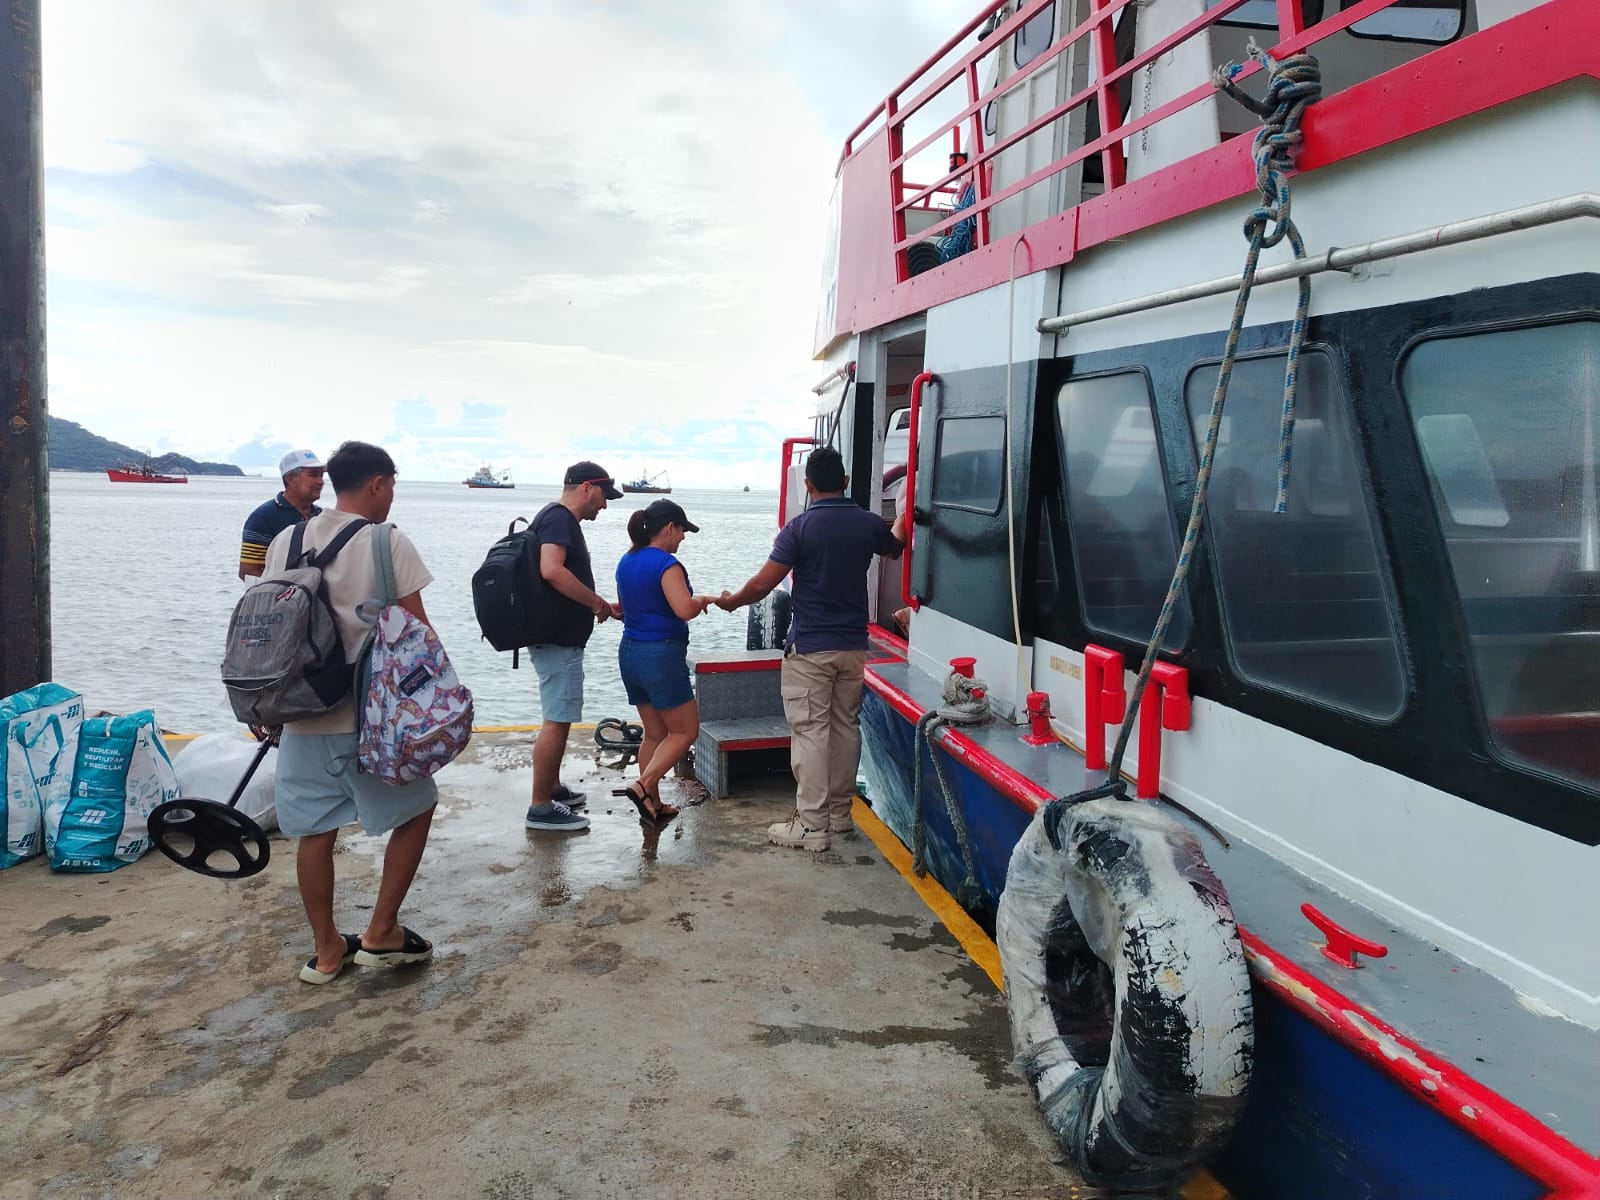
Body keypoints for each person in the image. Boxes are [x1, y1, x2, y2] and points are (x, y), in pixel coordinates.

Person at [260, 440, 440, 983]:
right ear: (379, 483)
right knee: (417, 809)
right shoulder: (386, 542)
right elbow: (420, 638)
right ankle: (382, 931)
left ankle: (328, 951)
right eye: (392, 487)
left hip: (297, 714)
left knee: (315, 833)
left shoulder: (286, 539)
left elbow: (268, 624)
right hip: (368, 723)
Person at [718, 447, 906, 852]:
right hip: (854, 647)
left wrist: (733, 601)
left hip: (811, 648)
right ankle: (839, 816)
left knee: (810, 733)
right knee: (845, 728)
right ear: (845, 481)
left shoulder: (799, 529)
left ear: (808, 485)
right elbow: (894, 546)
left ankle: (811, 825)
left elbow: (765, 583)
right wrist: (906, 515)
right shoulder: (866, 523)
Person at [525, 461, 624, 833]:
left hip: (555, 634)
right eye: (603, 496)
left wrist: (603, 608)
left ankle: (550, 788)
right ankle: (540, 807)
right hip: (557, 638)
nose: (604, 505)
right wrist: (596, 603)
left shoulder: (554, 518)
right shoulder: (559, 519)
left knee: (559, 714)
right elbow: (551, 569)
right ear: (586, 488)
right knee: (558, 719)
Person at [612, 499, 714, 825]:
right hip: (661, 656)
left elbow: (627, 610)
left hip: (630, 653)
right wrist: (703, 601)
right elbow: (684, 609)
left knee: (654, 733)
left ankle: (651, 805)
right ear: (669, 527)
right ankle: (643, 785)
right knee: (686, 731)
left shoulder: (626, 561)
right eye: (682, 530)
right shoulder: (666, 565)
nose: (683, 538)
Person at [239, 449, 326, 580]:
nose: (321, 481)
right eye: (313, 475)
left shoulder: (322, 515)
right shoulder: (264, 517)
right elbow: (248, 571)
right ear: (290, 479)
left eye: (321, 475)